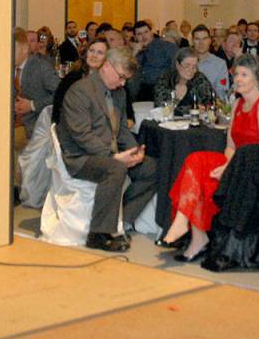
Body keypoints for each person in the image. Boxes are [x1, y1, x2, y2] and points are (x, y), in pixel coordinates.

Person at [157, 54, 259, 261]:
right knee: (195, 161)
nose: (238, 79)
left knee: (199, 171)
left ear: (257, 78)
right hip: (237, 164)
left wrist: (230, 169)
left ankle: (191, 231)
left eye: (245, 75)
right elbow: (231, 147)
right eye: (237, 75)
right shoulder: (237, 105)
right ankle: (188, 228)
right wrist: (227, 165)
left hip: (257, 172)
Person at [56, 47, 158, 252]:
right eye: (121, 77)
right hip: (81, 157)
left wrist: (134, 151)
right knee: (115, 169)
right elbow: (82, 136)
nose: (123, 83)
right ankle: (98, 233)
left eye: (125, 80)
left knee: (152, 168)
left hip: (109, 154)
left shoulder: (118, 93)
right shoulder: (80, 91)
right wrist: (113, 157)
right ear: (107, 67)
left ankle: (123, 220)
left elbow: (120, 131)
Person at [52, 39, 107, 125]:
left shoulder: (110, 80)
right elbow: (58, 107)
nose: (94, 55)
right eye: (91, 50)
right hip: (72, 126)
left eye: (100, 53)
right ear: (86, 53)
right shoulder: (73, 77)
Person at [19, 29, 61, 139]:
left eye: (32, 41)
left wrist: (33, 105)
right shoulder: (13, 64)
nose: (27, 44)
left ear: (38, 45)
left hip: (33, 124)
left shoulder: (43, 66)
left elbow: (60, 93)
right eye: (25, 41)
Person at [153, 48, 215, 114]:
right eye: (187, 65)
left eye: (194, 67)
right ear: (177, 65)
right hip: (167, 123)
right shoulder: (165, 80)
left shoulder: (200, 79)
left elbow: (208, 104)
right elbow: (161, 107)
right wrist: (190, 110)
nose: (191, 70)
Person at [131, 19, 176, 102]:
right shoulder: (133, 52)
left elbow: (177, 69)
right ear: (135, 37)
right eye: (139, 34)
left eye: (146, 32)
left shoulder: (166, 47)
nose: (144, 36)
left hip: (162, 92)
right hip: (139, 94)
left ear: (151, 32)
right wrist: (134, 53)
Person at [191, 25, 230, 99]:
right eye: (197, 39)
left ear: (210, 40)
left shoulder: (220, 64)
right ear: (192, 41)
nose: (201, 43)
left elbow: (222, 93)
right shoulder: (186, 63)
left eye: (204, 39)